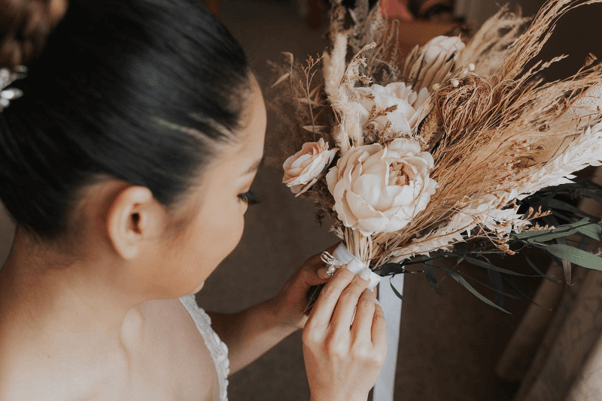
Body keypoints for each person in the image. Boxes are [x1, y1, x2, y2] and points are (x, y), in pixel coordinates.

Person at [0, 1, 387, 400]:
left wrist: (274, 317)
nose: (245, 207)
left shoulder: (116, 281)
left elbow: (184, 361)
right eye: (243, 193)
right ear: (136, 220)